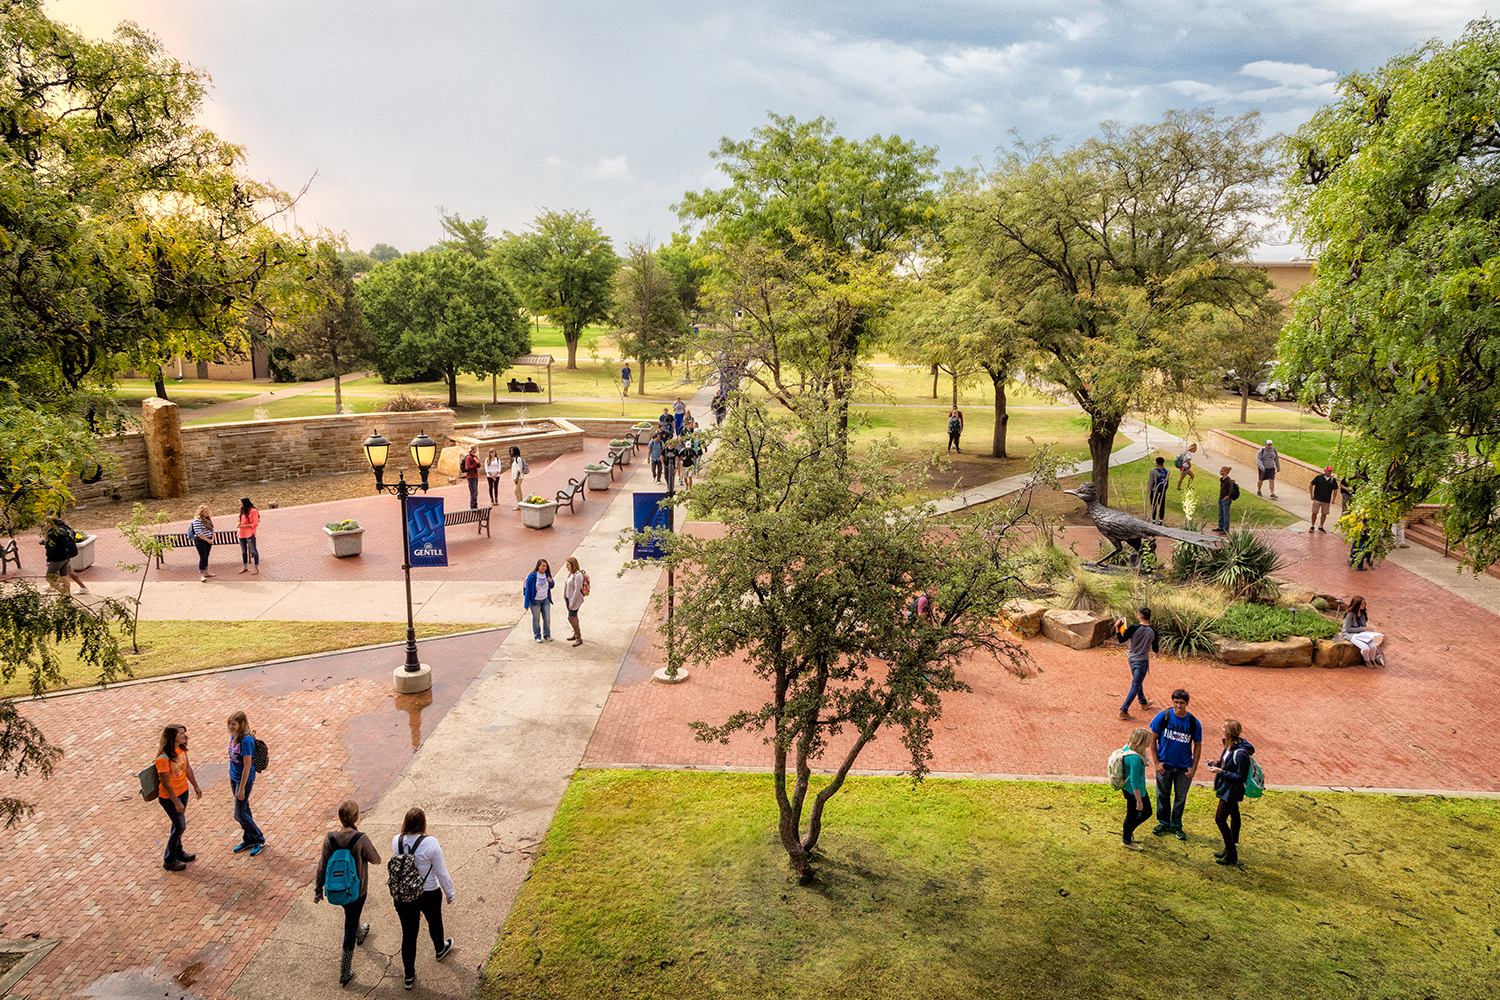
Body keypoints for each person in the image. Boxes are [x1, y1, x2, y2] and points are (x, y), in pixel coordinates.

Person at [315, 799, 382, 987]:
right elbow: (376, 859)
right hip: (357, 890)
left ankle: (360, 933)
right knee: (349, 925)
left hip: (336, 889)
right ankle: (345, 971)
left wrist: (318, 889)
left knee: (351, 913)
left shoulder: (330, 838)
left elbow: (322, 866)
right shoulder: (360, 838)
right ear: (355, 817)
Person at [391, 808, 455, 991]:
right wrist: (450, 893)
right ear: (423, 823)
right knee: (434, 921)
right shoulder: (431, 843)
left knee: (409, 934)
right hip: (428, 892)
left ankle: (409, 975)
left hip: (404, 895)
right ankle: (440, 949)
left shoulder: (397, 840)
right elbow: (441, 872)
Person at [1149, 690, 1202, 840]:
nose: (1178, 706)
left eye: (1182, 703)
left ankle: (1176, 825)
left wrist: (1193, 767)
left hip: (1184, 767)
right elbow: (1152, 739)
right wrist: (1156, 762)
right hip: (1164, 765)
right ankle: (1163, 822)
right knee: (1162, 795)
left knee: (1180, 797)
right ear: (1172, 702)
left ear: (1187, 704)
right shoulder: (1163, 717)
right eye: (1176, 702)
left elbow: (1198, 745)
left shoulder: (1193, 722)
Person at [1205, 719, 1255, 866]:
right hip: (1227, 788)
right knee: (1234, 816)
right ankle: (1229, 848)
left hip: (1231, 791)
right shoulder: (1229, 747)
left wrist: (1220, 771)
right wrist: (1217, 763)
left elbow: (1240, 776)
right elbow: (1228, 764)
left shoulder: (1240, 753)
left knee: (1220, 819)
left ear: (1228, 732)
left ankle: (1231, 852)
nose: (1222, 729)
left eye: (1224, 728)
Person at [154, 723, 202, 871]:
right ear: (172, 737)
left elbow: (187, 768)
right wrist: (176, 802)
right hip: (170, 797)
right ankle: (169, 859)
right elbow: (166, 784)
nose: (184, 735)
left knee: (177, 825)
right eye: (181, 733)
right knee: (180, 826)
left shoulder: (181, 749)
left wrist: (195, 786)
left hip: (183, 791)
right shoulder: (163, 759)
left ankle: (178, 852)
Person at [226, 711, 266, 855]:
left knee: (239, 814)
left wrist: (242, 788)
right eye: (230, 724)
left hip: (244, 780)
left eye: (234, 724)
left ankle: (258, 838)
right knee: (244, 810)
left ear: (241, 724)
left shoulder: (246, 741)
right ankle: (248, 839)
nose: (231, 727)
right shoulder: (234, 737)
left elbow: (247, 766)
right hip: (234, 777)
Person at [1116, 607, 1157, 720]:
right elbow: (1155, 647)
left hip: (1131, 659)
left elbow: (1121, 640)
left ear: (1140, 616)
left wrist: (1117, 628)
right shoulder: (1153, 631)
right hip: (1142, 661)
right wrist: (1156, 654)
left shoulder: (1133, 628)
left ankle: (1143, 703)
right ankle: (1124, 710)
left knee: (1137, 682)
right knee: (1136, 684)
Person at [1119, 727, 1154, 851]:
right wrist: (1139, 800)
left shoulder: (1129, 748)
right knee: (1143, 813)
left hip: (1132, 789)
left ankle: (1128, 832)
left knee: (1133, 814)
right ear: (1142, 741)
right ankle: (1126, 839)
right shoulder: (1135, 759)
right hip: (1135, 791)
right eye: (1148, 740)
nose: (1151, 741)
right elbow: (1134, 781)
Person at [41, 516, 85, 596]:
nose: (44, 524)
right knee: (63, 577)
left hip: (57, 558)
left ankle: (65, 594)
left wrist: (48, 560)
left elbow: (51, 549)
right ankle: (67, 594)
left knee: (49, 578)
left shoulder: (51, 533)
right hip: (66, 557)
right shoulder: (62, 530)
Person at [1341, 595, 1386, 666]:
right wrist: (1362, 629)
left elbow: (1364, 627)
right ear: (1357, 604)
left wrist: (1368, 632)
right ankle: (1367, 661)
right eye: (1362, 604)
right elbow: (1348, 629)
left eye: (1364, 603)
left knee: (1373, 646)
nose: (1364, 605)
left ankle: (1373, 660)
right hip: (1350, 634)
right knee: (1365, 648)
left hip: (1361, 634)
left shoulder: (1362, 614)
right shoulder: (1350, 614)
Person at [523, 558, 554, 643]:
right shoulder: (532, 576)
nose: (544, 568)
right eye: (543, 566)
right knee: (536, 619)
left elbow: (552, 585)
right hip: (535, 601)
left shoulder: (547, 575)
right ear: (538, 566)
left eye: (546, 566)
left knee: (547, 618)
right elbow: (528, 590)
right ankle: (537, 636)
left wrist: (551, 582)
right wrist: (526, 604)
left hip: (545, 599)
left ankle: (547, 634)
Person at [563, 556, 587, 646]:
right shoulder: (570, 573)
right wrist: (565, 597)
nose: (566, 566)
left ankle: (578, 638)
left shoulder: (578, 575)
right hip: (568, 598)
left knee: (571, 617)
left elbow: (577, 590)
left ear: (573, 565)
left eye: (568, 565)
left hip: (574, 600)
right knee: (574, 617)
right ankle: (575, 634)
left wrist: (572, 602)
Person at [1309, 466, 1339, 533]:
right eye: (1328, 471)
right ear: (1325, 471)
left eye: (1330, 471)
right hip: (1317, 498)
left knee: (1324, 513)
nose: (1329, 472)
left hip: (1326, 500)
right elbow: (1311, 484)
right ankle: (1312, 525)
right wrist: (1312, 494)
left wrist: (1333, 499)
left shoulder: (1332, 480)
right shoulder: (1319, 478)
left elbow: (1335, 489)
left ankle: (1321, 526)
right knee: (1314, 512)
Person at [191, 504, 216, 582]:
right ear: (201, 512)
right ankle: (202, 575)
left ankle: (206, 572)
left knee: (206, 556)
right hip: (200, 540)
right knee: (203, 557)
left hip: (209, 540)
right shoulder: (197, 520)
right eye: (205, 511)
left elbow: (211, 529)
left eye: (208, 511)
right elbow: (199, 532)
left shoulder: (208, 519)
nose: (207, 512)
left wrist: (212, 538)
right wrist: (207, 539)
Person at [237, 497, 260, 575]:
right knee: (243, 551)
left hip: (250, 533)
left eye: (240, 502)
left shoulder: (253, 511)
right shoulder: (243, 510)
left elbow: (255, 523)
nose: (239, 504)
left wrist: (244, 526)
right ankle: (245, 566)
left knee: (253, 550)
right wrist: (239, 524)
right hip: (242, 533)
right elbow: (242, 520)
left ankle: (256, 567)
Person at [1147, 457, 1170, 525]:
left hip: (1154, 491)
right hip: (1162, 491)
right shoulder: (1166, 471)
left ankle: (1153, 520)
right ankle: (1161, 520)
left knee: (1154, 505)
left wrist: (1149, 491)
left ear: (1157, 464)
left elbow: (1151, 483)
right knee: (1162, 505)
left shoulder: (1153, 472)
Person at [460, 446, 481, 510]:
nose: (476, 450)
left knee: (476, 492)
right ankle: (473, 506)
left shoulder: (475, 457)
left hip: (475, 476)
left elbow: (479, 466)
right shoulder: (469, 457)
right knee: (473, 492)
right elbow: (467, 467)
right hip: (471, 477)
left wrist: (477, 462)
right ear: (472, 450)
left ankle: (475, 505)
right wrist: (474, 463)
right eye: (475, 449)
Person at [1217, 466, 1235, 534]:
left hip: (1226, 500)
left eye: (1222, 471)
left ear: (1226, 472)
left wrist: (1226, 497)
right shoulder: (1222, 479)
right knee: (1220, 513)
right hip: (1221, 499)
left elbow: (1231, 491)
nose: (1220, 472)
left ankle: (1225, 529)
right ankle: (1220, 526)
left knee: (1225, 514)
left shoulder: (1229, 481)